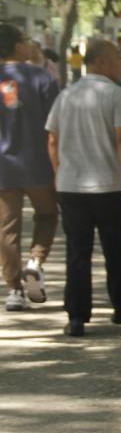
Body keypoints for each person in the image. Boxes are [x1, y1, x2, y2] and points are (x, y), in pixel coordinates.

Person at [45, 39, 121, 338]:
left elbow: (52, 139)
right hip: (109, 186)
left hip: (71, 187)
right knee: (114, 249)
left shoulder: (66, 95)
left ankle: (76, 315)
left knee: (78, 252)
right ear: (100, 62)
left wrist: (59, 174)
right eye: (117, 59)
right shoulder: (115, 94)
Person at [0, 22, 60, 311]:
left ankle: (14, 290)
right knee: (47, 215)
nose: (29, 44)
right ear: (16, 46)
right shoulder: (42, 77)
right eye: (25, 40)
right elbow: (56, 126)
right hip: (39, 164)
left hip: (4, 168)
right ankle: (35, 261)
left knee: (7, 229)